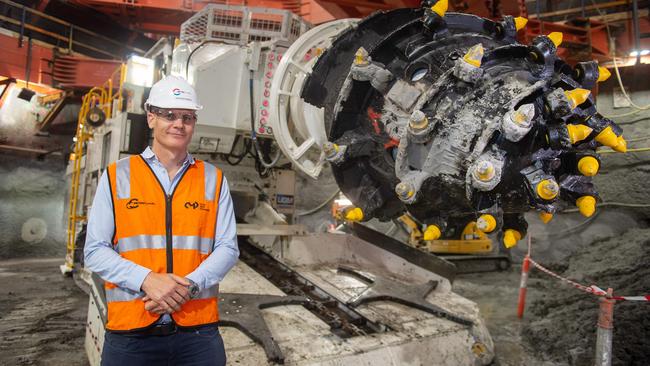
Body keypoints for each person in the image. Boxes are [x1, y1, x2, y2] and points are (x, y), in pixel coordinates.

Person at [84, 75, 239, 366]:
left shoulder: (213, 179)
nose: (179, 124)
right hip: (131, 334)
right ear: (151, 117)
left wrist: (188, 287)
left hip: (198, 334)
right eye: (169, 115)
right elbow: (94, 251)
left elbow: (228, 248)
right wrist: (147, 281)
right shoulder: (118, 175)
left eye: (187, 117)